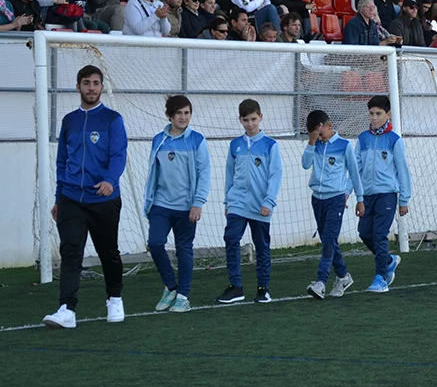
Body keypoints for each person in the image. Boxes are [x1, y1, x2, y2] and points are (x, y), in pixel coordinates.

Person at [42, 65, 128, 329]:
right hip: (71, 199)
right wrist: (58, 197)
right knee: (71, 254)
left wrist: (110, 182)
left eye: (96, 83)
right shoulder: (69, 121)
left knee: (108, 252)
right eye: (86, 83)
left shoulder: (113, 119)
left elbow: (119, 155)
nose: (91, 88)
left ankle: (114, 298)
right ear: (77, 86)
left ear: (102, 87)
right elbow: (62, 161)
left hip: (103, 200)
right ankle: (67, 309)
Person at [143, 95, 210, 313]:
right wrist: (149, 202)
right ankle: (171, 287)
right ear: (169, 116)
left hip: (187, 207)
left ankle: (183, 296)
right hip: (161, 205)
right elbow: (154, 173)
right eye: (179, 113)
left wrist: (197, 203)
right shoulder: (158, 140)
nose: (183, 117)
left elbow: (204, 173)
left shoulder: (197, 140)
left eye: (187, 113)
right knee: (154, 243)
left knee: (184, 250)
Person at [214, 99, 282, 305]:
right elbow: (229, 173)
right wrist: (227, 202)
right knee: (231, 238)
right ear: (240, 120)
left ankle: (263, 288)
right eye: (246, 120)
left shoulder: (270, 145)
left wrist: (268, 202)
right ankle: (236, 287)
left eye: (253, 119)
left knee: (262, 246)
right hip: (237, 202)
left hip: (261, 205)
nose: (250, 124)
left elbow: (275, 175)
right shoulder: (235, 145)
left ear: (260, 117)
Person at [301, 109, 363, 300]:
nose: (319, 138)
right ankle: (344, 276)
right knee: (329, 240)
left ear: (329, 126)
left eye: (320, 134)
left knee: (328, 239)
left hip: (336, 199)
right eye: (315, 135)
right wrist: (311, 141)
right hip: (317, 199)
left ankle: (321, 282)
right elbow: (305, 164)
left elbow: (354, 173)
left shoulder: (344, 146)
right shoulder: (315, 144)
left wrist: (360, 199)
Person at [353, 95, 410, 293]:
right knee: (364, 233)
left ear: (388, 114)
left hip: (387, 194)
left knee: (379, 234)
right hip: (367, 195)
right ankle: (388, 260)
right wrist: (351, 194)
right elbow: (355, 169)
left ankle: (381, 278)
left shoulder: (394, 140)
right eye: (371, 114)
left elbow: (403, 171)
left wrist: (404, 199)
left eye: (378, 114)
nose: (374, 117)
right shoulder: (362, 139)